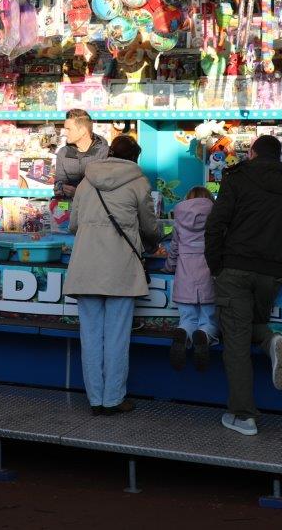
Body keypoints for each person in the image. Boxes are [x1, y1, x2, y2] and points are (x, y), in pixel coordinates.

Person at [204, 134, 282, 437]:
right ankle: (270, 340)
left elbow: (216, 224)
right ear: (279, 156)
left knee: (235, 340)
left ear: (251, 153)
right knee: (250, 325)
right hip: (274, 274)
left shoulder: (237, 178)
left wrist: (216, 266)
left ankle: (243, 415)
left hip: (236, 268)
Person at [66, 135, 161, 415]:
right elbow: (150, 227)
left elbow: (73, 225)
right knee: (117, 338)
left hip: (86, 267)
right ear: (135, 158)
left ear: (108, 153)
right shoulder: (138, 182)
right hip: (121, 268)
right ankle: (113, 399)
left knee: (90, 337)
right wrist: (153, 241)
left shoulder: (86, 182)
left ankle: (95, 400)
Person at [167, 186, 219, 372]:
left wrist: (169, 267)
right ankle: (204, 334)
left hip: (185, 278)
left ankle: (183, 332)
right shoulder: (216, 218)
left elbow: (174, 249)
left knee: (187, 319)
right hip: (208, 278)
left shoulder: (179, 220)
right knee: (209, 321)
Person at [53, 109, 109, 199]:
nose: (65, 133)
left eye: (68, 129)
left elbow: (109, 188)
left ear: (83, 131)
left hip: (95, 207)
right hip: (70, 206)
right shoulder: (63, 153)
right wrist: (61, 188)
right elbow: (58, 184)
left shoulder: (105, 153)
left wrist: (79, 193)